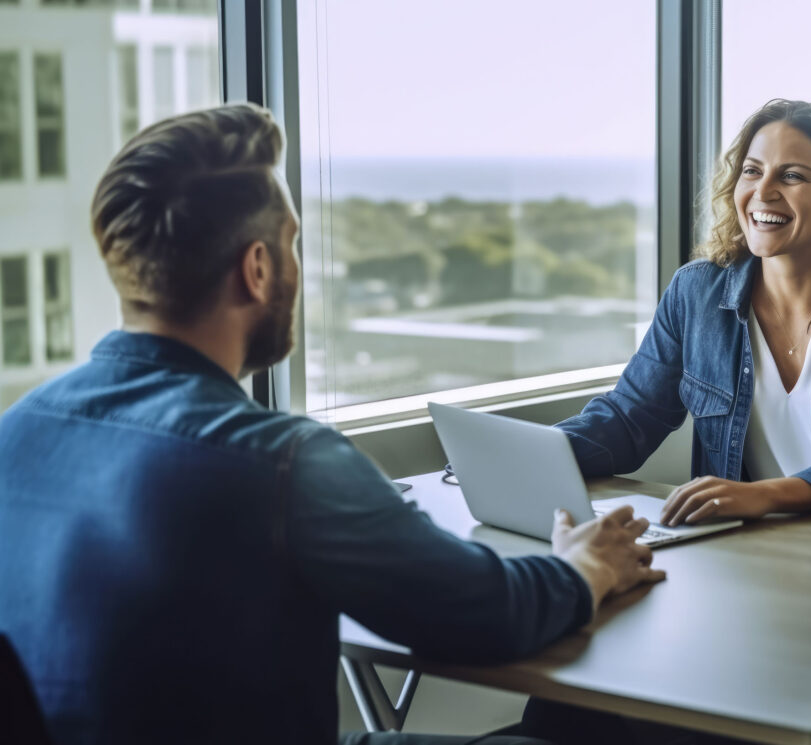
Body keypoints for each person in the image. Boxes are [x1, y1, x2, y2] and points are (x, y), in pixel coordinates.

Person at [0, 103, 666, 745]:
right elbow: (484, 614)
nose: (297, 265)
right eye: (292, 243)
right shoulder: (281, 460)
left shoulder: (17, 428)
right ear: (256, 269)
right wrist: (585, 566)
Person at [556, 99, 811, 524]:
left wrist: (770, 496)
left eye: (791, 176)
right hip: (766, 549)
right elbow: (629, 420)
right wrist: (535, 453)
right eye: (752, 171)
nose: (763, 191)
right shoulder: (695, 291)